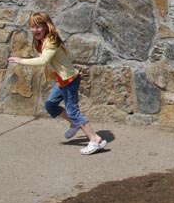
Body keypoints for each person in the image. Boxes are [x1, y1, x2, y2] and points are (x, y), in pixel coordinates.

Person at [9, 11, 107, 155]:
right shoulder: (42, 41)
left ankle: (95, 139)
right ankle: (74, 123)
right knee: (50, 105)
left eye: (39, 26)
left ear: (46, 26)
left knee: (73, 111)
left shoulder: (51, 40)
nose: (35, 30)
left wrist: (20, 61)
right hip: (62, 80)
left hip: (69, 80)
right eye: (32, 27)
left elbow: (44, 60)